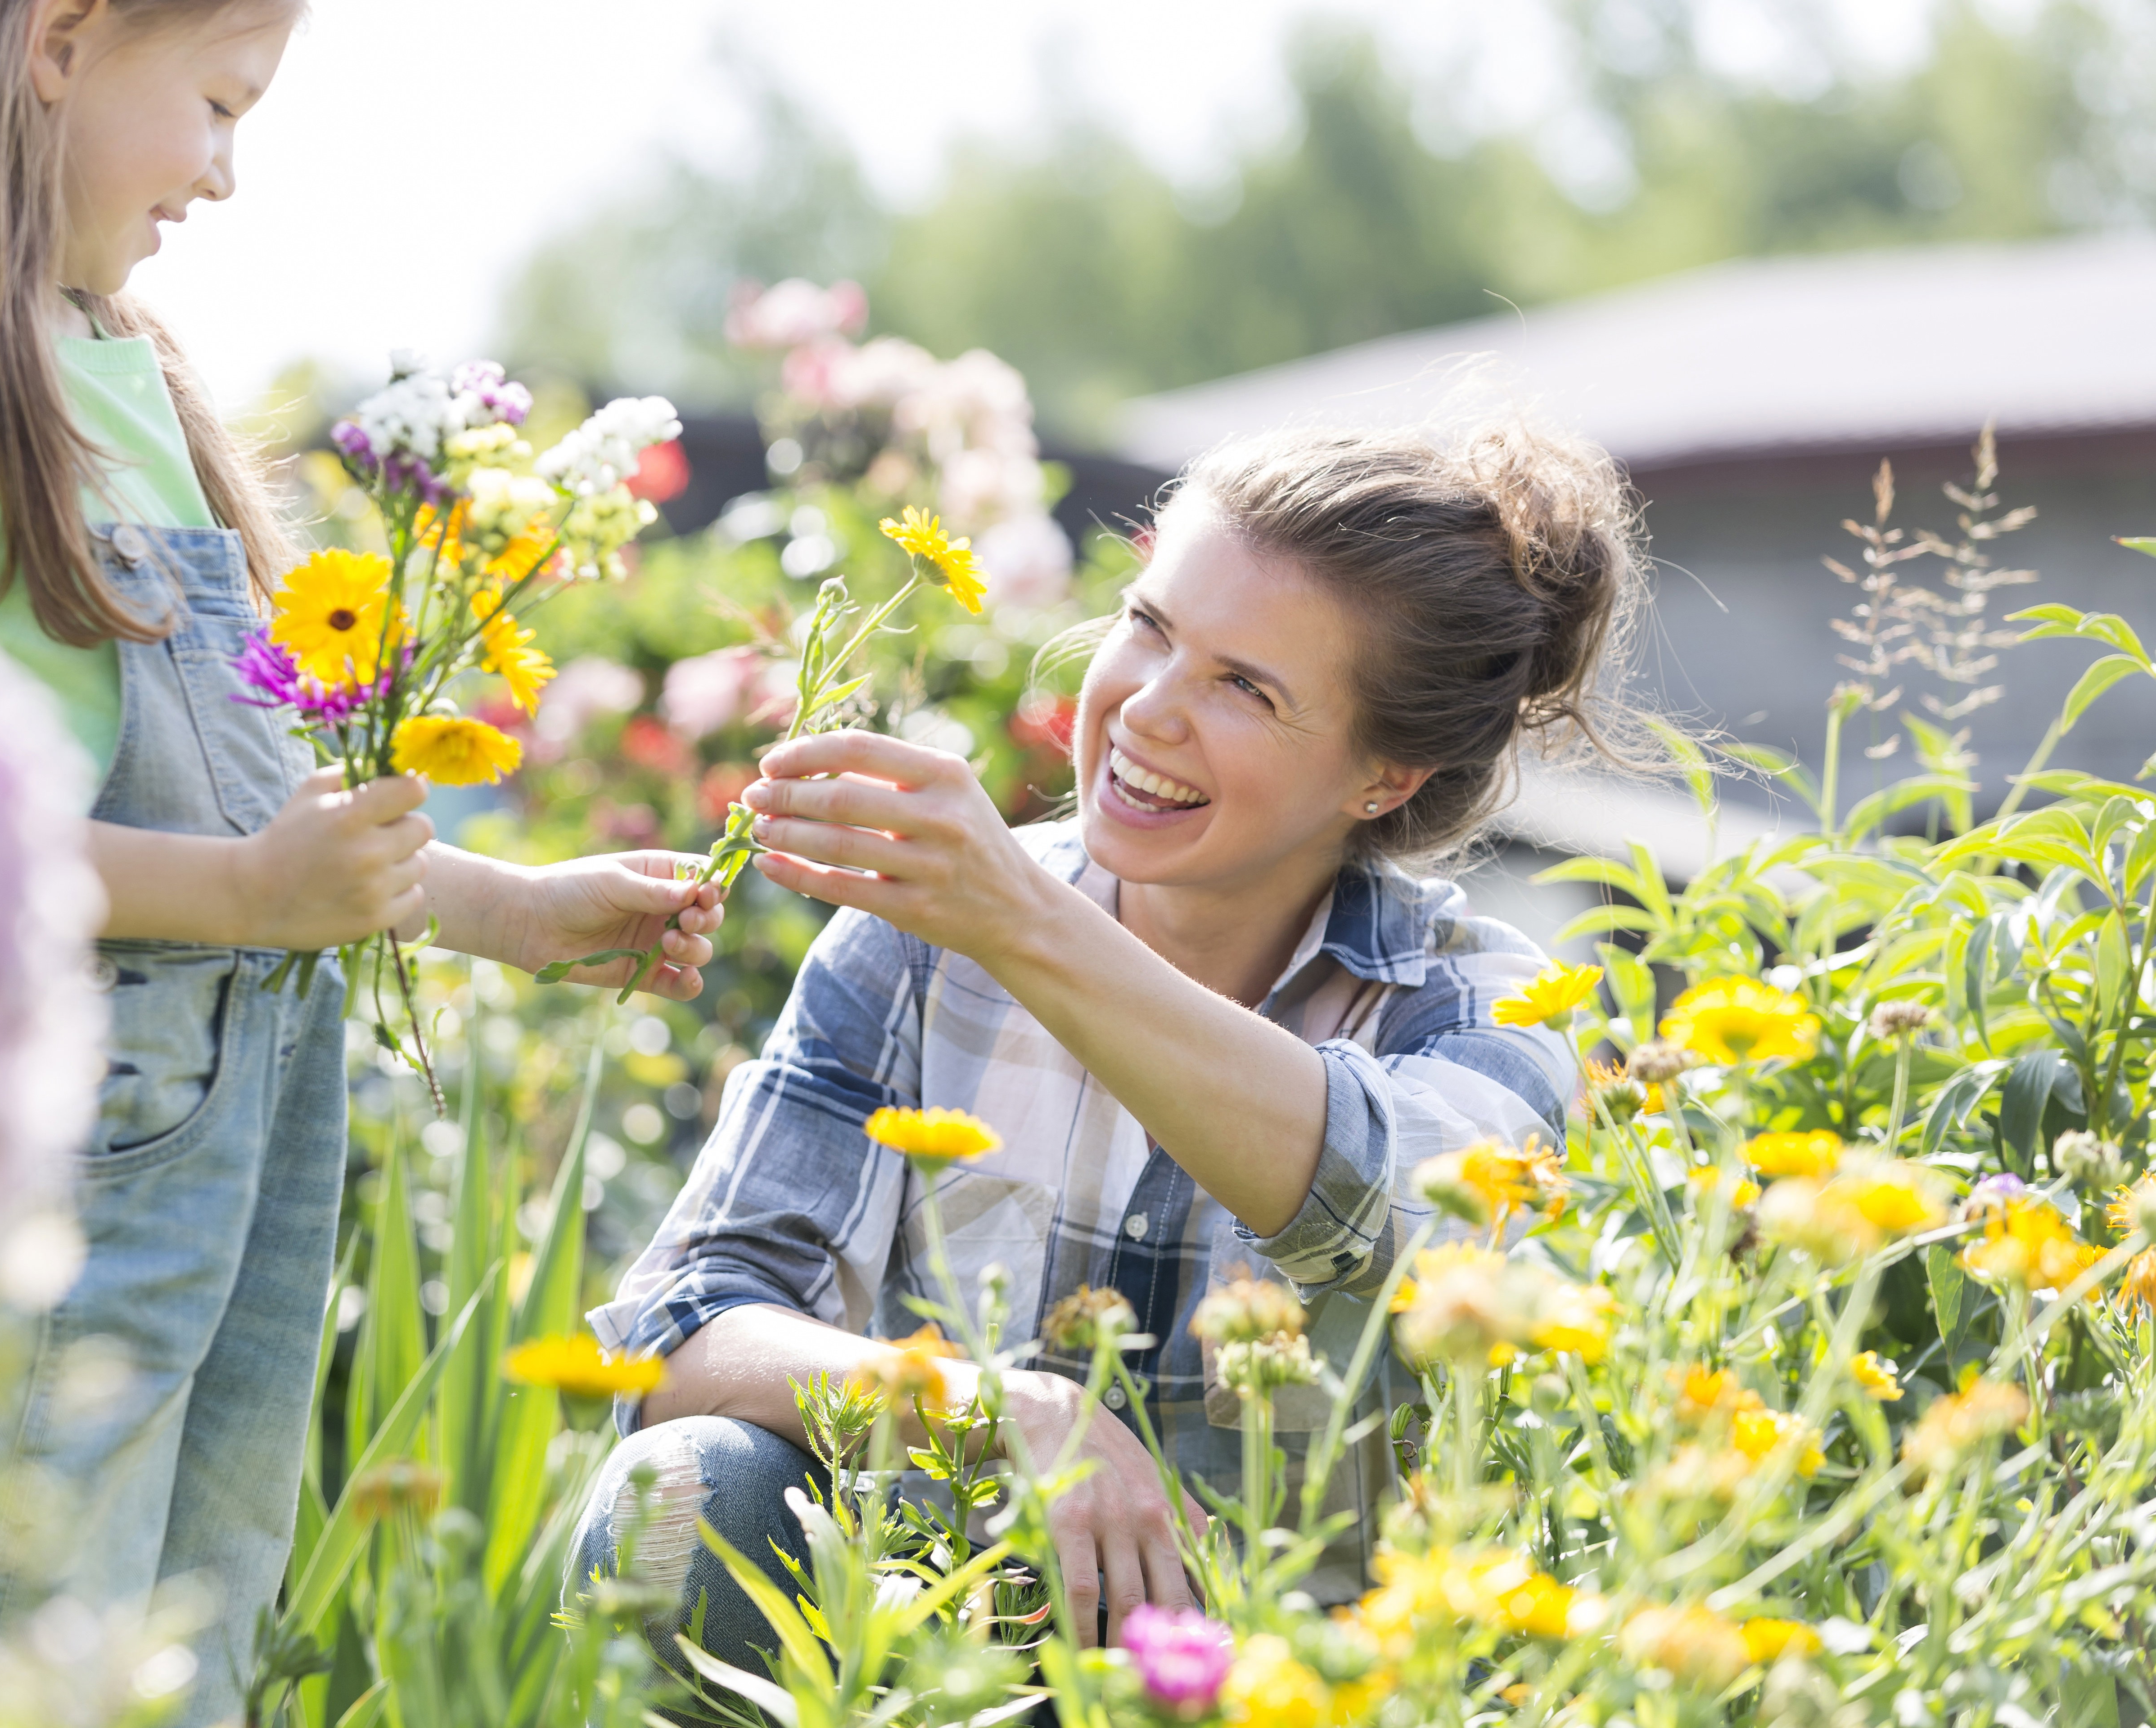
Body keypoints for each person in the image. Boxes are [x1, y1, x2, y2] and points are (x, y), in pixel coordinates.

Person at [0, 3, 720, 1722]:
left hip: (248, 1112)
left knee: (176, 1632)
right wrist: (251, 900)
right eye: (217, 105)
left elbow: (256, 802)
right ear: (59, 40)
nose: (227, 176)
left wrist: (514, 916)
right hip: (48, 1131)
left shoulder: (120, 360)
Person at [578, 421, 1641, 1678]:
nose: (1146, 707)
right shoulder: (923, 941)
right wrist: (995, 1413)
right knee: (691, 1491)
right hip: (938, 1661)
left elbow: (1394, 1220)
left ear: (1384, 776)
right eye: (1149, 627)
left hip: (1296, 1685)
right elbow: (676, 1331)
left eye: (1245, 688)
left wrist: (1023, 925)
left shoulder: (1480, 1009)